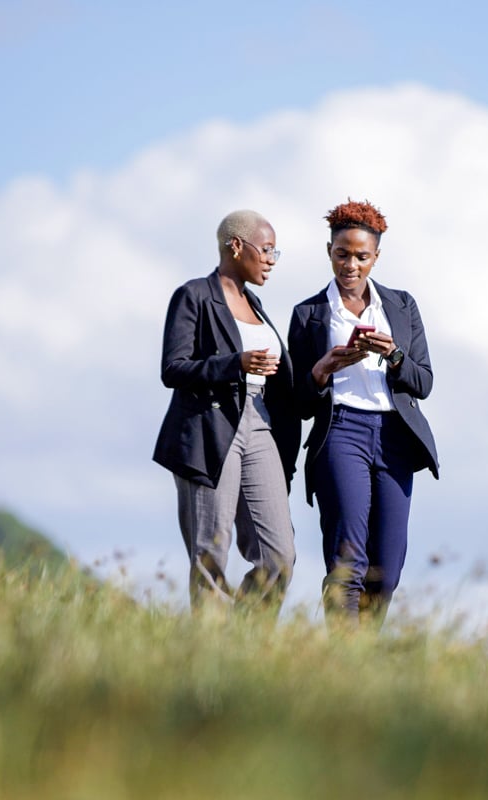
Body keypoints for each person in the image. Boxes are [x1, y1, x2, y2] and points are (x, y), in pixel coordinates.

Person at [287, 199, 439, 627]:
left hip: (395, 437)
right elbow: (298, 402)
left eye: (361, 256)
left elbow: (423, 382)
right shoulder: (309, 314)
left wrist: (392, 354)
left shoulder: (401, 306)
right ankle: (342, 663)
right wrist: (322, 370)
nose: (350, 264)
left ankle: (364, 665)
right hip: (341, 432)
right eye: (341, 254)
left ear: (376, 257)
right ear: (329, 251)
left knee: (386, 570)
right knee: (348, 560)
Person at [153, 210, 299, 614]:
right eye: (267, 249)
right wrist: (236, 363)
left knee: (279, 555)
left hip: (260, 424)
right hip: (210, 428)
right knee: (211, 549)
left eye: (275, 252)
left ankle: (248, 640)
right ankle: (213, 651)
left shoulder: (257, 304)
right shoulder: (194, 295)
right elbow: (173, 368)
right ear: (236, 246)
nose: (271, 259)